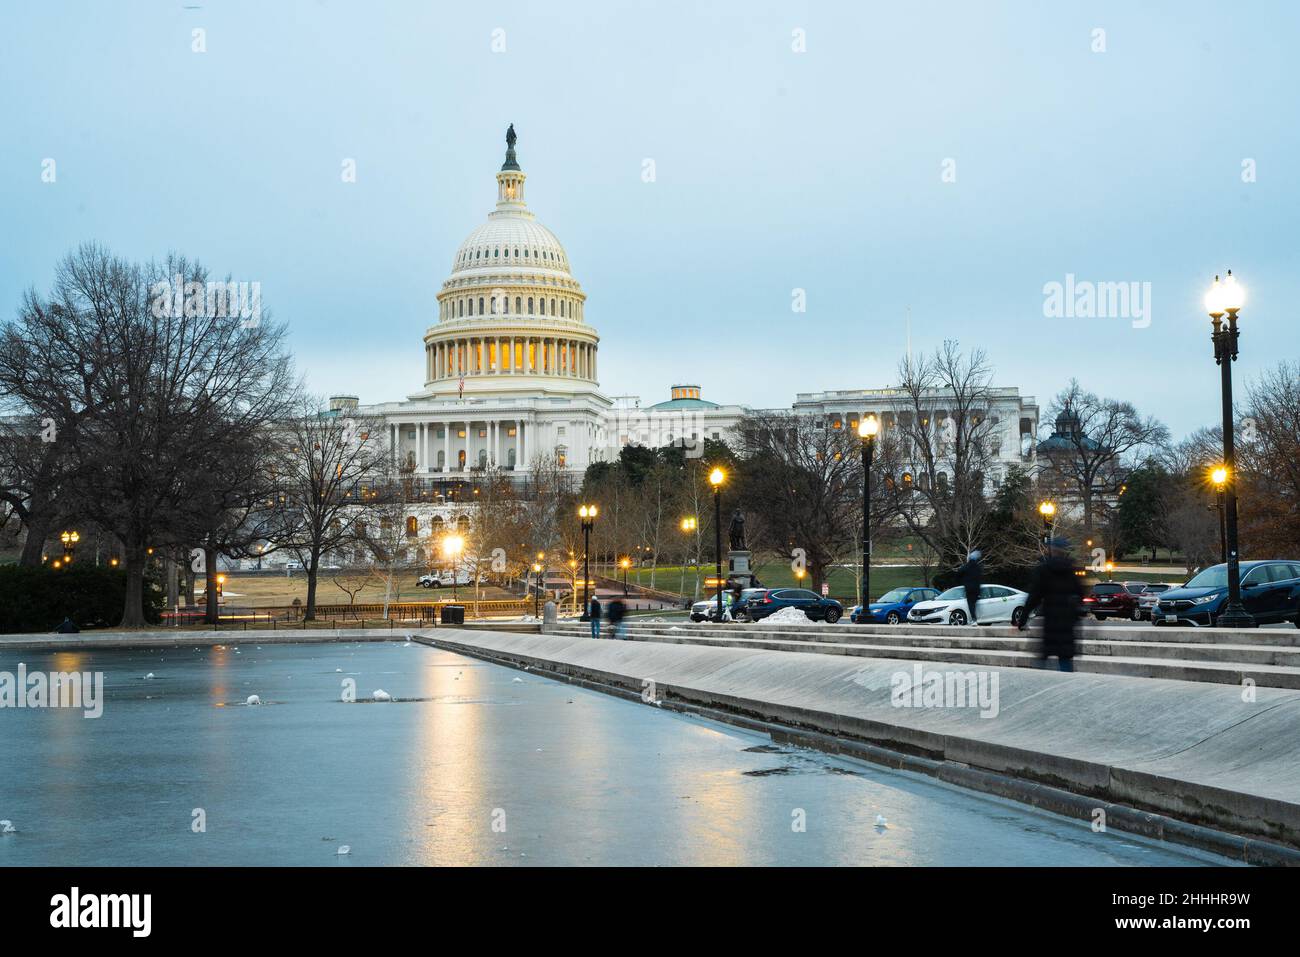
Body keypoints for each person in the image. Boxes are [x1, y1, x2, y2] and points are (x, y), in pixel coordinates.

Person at [1019, 538, 1085, 671]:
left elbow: (1034, 596)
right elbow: (1080, 594)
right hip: (1067, 622)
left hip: (1050, 620)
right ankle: (1067, 685)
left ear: (1052, 550)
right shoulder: (1071, 570)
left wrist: (1023, 618)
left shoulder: (1044, 570)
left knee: (1043, 658)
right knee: (1065, 658)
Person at [957, 550, 983, 625]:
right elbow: (979, 578)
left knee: (970, 604)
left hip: (969, 588)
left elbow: (959, 573)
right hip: (976, 589)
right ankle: (975, 618)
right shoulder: (978, 567)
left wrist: (962, 581)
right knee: (974, 604)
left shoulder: (966, 566)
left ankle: (974, 619)